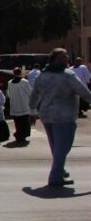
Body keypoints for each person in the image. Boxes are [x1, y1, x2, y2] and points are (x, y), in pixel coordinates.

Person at [29, 48, 91, 186]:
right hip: (64, 116)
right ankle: (55, 176)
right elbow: (84, 92)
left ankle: (60, 169)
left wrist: (32, 110)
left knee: (56, 146)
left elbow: (34, 95)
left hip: (46, 115)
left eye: (66, 57)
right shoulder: (68, 75)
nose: (66, 60)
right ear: (54, 60)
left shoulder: (42, 75)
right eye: (62, 58)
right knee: (63, 147)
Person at [7, 67, 33, 145]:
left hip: (15, 105)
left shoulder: (10, 83)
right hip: (24, 105)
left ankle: (19, 134)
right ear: (20, 73)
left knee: (17, 122)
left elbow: (8, 94)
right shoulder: (24, 82)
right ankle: (22, 136)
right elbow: (30, 93)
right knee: (25, 122)